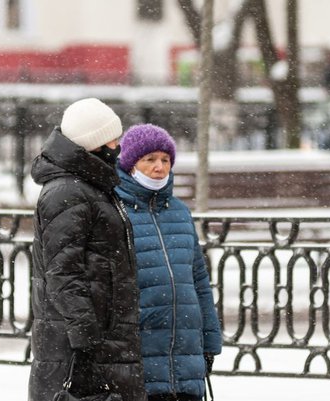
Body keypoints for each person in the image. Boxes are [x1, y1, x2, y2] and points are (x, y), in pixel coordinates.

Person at [29, 98, 146, 401]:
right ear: (93, 143)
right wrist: (85, 339)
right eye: (112, 138)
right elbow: (63, 271)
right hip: (81, 343)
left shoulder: (90, 185)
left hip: (102, 334)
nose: (118, 146)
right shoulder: (68, 191)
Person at [114, 124, 223, 401]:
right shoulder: (116, 212)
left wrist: (210, 341)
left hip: (186, 352)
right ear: (130, 164)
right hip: (140, 351)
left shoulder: (180, 212)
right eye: (149, 159)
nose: (159, 167)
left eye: (165, 160)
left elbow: (199, 281)